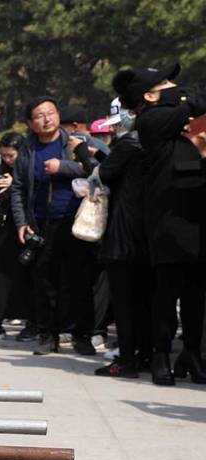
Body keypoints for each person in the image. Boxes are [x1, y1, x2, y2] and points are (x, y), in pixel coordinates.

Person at [113, 63, 206, 385]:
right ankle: (161, 355)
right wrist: (187, 101)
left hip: (195, 216)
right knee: (166, 294)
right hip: (167, 220)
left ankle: (191, 353)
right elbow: (196, 101)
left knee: (196, 294)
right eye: (166, 82)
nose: (174, 86)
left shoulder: (181, 121)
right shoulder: (152, 120)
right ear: (150, 95)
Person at [9, 97, 95, 356]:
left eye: (51, 113)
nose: (47, 118)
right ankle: (47, 335)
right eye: (39, 115)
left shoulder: (75, 142)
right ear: (30, 123)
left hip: (75, 221)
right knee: (45, 282)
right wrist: (22, 222)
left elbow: (95, 170)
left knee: (80, 282)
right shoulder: (28, 149)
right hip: (41, 224)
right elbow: (17, 188)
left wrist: (63, 167)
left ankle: (83, 335)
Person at [93, 98, 150, 378]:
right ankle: (146, 355)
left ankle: (126, 359)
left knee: (125, 300)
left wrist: (85, 152)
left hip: (124, 231)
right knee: (144, 299)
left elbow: (104, 174)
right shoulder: (159, 143)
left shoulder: (129, 143)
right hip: (148, 231)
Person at [0, 132, 30, 340]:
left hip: (26, 228)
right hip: (3, 228)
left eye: (12, 156)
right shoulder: (2, 171)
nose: (8, 160)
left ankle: (32, 322)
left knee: (27, 278)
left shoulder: (29, 170)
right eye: (5, 156)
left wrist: (15, 186)